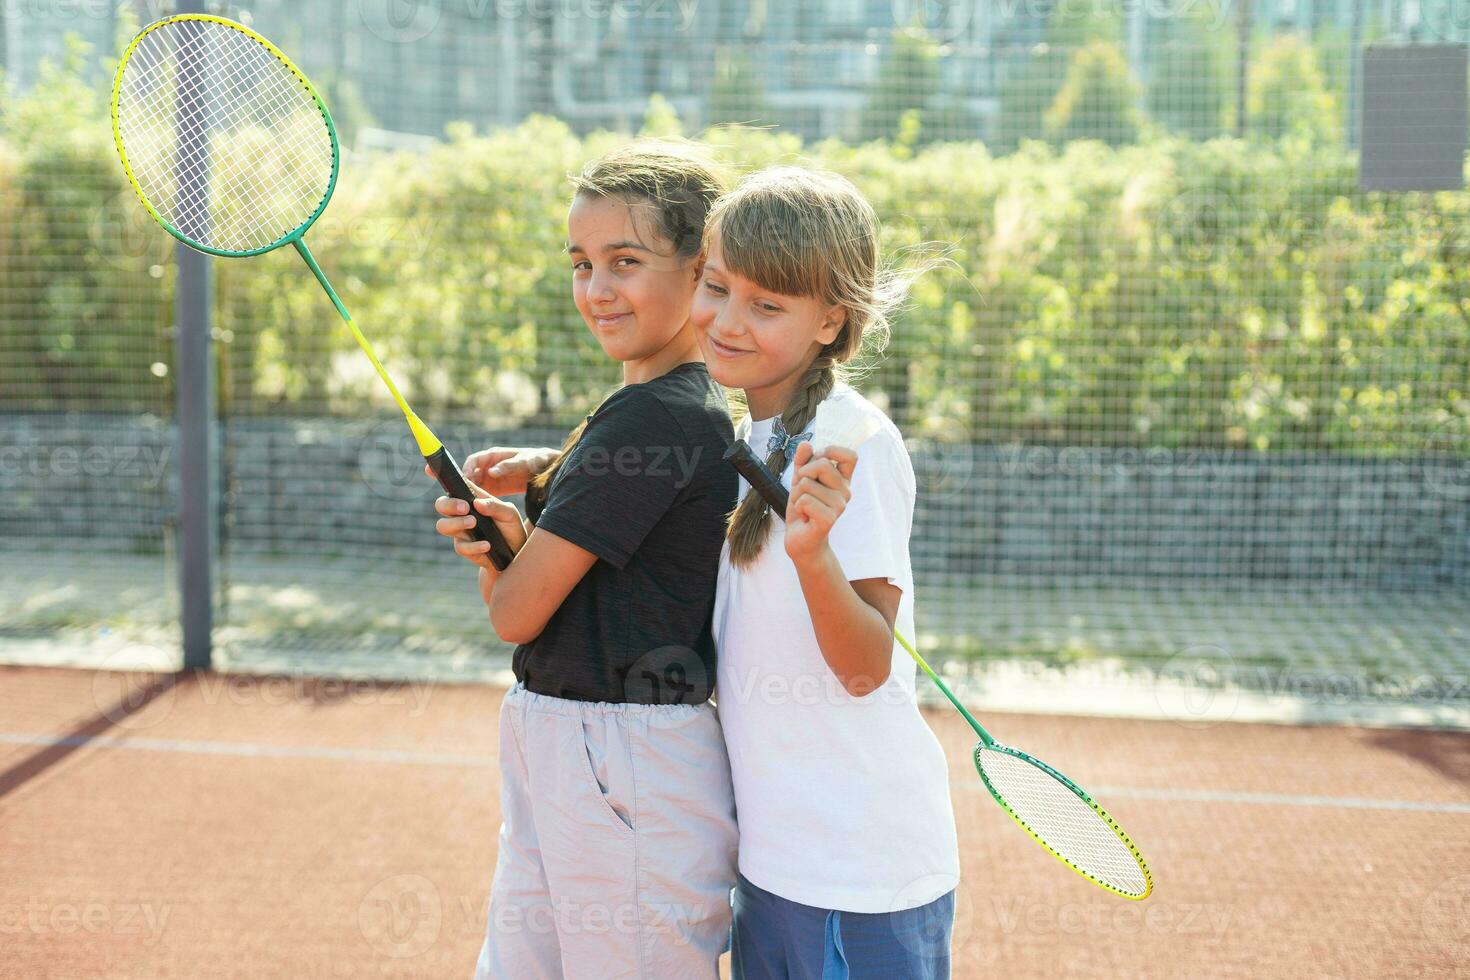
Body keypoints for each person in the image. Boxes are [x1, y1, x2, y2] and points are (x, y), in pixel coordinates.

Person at [432, 140, 739, 979]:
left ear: (702, 267)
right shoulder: (661, 409)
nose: (596, 290)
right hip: (581, 747)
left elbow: (516, 613)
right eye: (581, 263)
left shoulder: (651, 422)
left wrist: (501, 551)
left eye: (626, 262)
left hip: (619, 759)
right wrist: (543, 479)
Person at [691, 166, 961, 979]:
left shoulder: (854, 442)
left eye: (767, 305)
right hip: (773, 867)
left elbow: (863, 667)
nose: (729, 321)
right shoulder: (749, 435)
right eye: (715, 287)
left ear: (831, 319)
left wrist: (811, 557)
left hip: (860, 876)